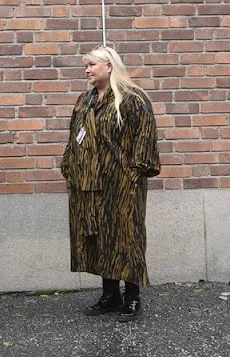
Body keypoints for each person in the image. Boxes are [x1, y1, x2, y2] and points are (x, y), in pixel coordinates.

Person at [60, 46, 160, 322]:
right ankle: (110, 294)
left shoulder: (132, 100)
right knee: (100, 238)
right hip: (88, 185)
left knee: (126, 238)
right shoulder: (86, 100)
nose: (87, 70)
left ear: (109, 66)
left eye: (92, 64)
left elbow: (144, 143)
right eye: (86, 65)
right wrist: (69, 167)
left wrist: (131, 178)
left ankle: (132, 297)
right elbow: (74, 138)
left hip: (122, 186)